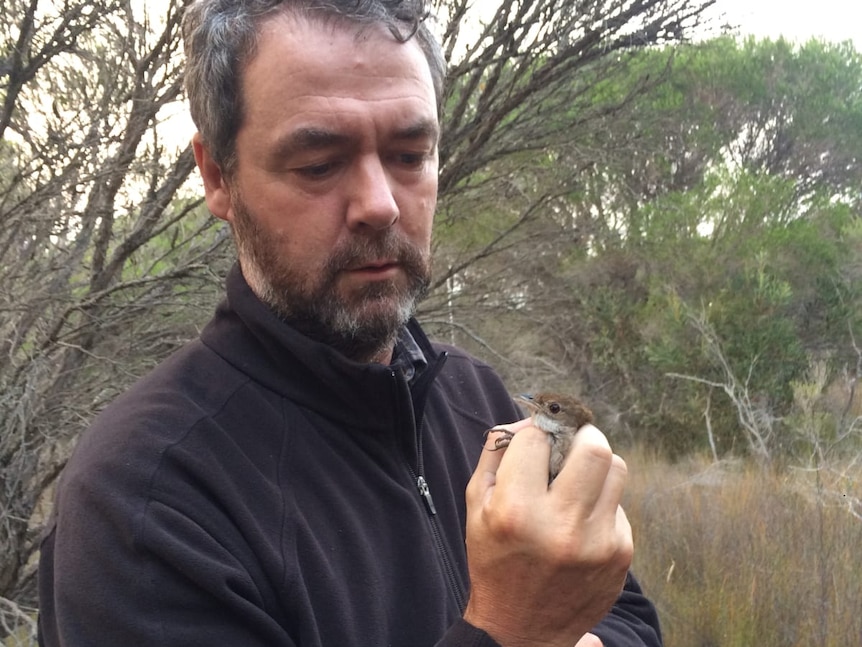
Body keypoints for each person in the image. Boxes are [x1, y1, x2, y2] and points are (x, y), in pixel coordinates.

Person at [36, 1, 663, 645]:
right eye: (319, 165)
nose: (380, 205)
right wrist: (512, 632)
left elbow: (628, 618)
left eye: (411, 154)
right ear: (218, 177)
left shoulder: (477, 400)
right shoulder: (144, 503)